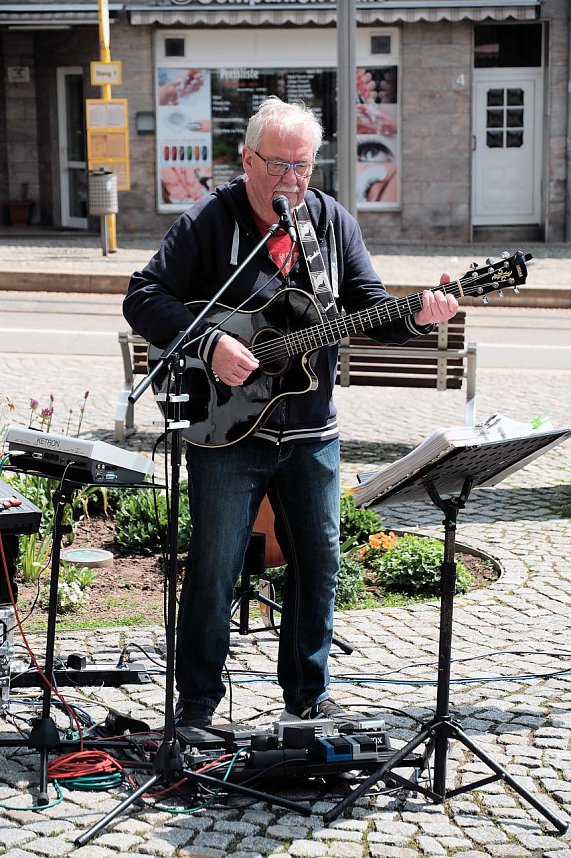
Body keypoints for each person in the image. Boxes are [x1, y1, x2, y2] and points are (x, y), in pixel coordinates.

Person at [123, 96, 458, 730]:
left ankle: (308, 694)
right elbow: (143, 296)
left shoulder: (332, 223)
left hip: (311, 431)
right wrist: (211, 341)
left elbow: (370, 309)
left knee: (318, 562)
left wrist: (417, 315)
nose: (291, 181)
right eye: (278, 166)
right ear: (246, 160)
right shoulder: (208, 223)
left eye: (303, 167)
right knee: (215, 566)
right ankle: (195, 705)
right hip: (226, 433)